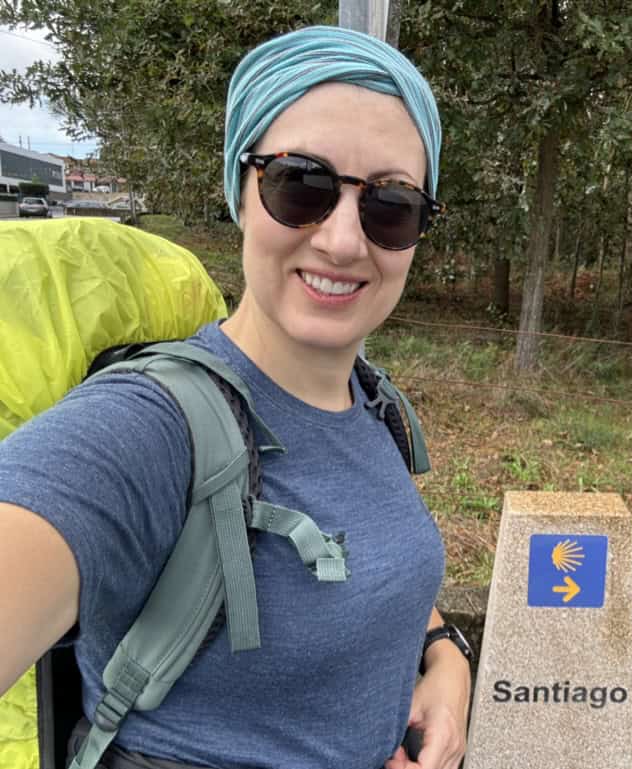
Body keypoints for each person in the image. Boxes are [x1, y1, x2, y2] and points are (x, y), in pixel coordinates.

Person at [0, 25, 470, 769]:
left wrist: (445, 658)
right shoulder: (148, 427)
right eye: (301, 185)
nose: (346, 241)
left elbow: (365, 571)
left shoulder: (370, 402)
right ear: (241, 194)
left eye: (390, 206)